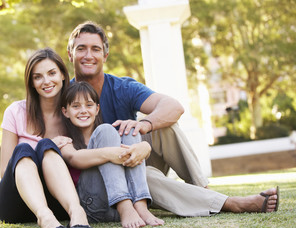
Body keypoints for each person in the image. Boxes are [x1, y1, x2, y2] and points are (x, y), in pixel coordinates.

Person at [66, 21, 280, 216]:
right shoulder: (64, 97)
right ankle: (229, 203)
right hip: (99, 177)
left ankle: (202, 191)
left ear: (105, 55)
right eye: (81, 48)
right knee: (146, 175)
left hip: (133, 159)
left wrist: (144, 125)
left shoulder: (122, 87)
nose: (88, 55)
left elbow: (173, 107)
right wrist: (126, 153)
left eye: (95, 49)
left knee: (164, 127)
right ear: (70, 54)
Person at [0, 47, 94, 228]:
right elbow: (5, 172)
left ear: (63, 75)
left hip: (60, 203)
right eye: (38, 77)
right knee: (27, 148)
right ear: (31, 83)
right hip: (16, 203)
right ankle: (45, 218)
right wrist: (43, 149)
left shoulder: (76, 111)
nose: (46, 81)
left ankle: (77, 213)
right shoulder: (15, 111)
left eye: (52, 73)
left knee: (47, 147)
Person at [57, 81, 164, 228]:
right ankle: (124, 205)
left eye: (89, 105)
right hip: (93, 207)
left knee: (129, 130)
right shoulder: (65, 140)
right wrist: (110, 153)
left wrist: (143, 147)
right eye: (76, 106)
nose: (83, 110)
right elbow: (74, 159)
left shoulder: (111, 138)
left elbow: (131, 143)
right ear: (65, 111)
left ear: (97, 109)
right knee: (106, 130)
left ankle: (140, 205)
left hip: (119, 207)